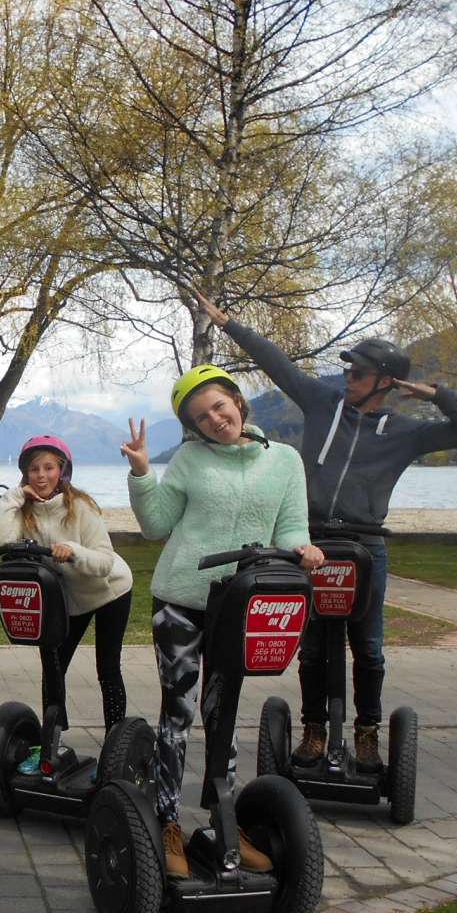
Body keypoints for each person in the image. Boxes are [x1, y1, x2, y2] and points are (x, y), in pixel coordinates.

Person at [198, 293, 457, 770]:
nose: (347, 379)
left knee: (368, 646)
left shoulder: (405, 430)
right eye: (348, 371)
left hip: (365, 544)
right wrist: (231, 326)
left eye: (357, 373)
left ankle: (368, 733)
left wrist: (433, 393)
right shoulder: (322, 402)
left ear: (383, 382)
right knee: (312, 645)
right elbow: (278, 365)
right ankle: (313, 730)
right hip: (310, 540)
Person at [124, 365, 324, 878]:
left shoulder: (285, 462)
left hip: (241, 602)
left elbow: (293, 526)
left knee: (225, 716)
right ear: (192, 428)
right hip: (181, 600)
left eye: (219, 406)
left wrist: (304, 548)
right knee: (179, 714)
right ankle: (167, 824)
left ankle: (223, 826)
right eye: (201, 417)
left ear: (238, 400)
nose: (215, 419)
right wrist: (143, 472)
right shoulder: (191, 459)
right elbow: (155, 526)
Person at [0, 434, 133, 774]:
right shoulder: (23, 509)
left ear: (62, 470)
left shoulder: (81, 506)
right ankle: (52, 743)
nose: (41, 475)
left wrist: (73, 551)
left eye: (49, 467)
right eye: (33, 469)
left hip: (110, 590)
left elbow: (105, 561)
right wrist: (14, 497)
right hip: (68, 598)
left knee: (107, 668)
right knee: (53, 667)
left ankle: (115, 749)